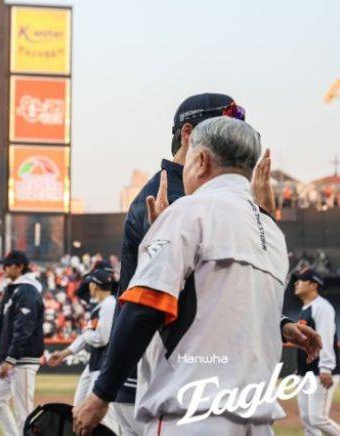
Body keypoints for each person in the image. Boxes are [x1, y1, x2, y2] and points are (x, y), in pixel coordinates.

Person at [82, 93, 322, 436]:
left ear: (203, 158)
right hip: (225, 405)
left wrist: (99, 394)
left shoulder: (193, 209)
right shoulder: (260, 225)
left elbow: (169, 301)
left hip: (193, 400)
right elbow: (198, 296)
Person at [48, 268, 120, 434]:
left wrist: (86, 332)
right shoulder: (101, 305)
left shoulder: (109, 304)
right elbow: (88, 336)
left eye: (90, 283)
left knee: (104, 417)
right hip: (95, 364)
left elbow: (102, 338)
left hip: (104, 364)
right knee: (79, 408)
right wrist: (64, 353)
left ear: (94, 285)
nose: (88, 286)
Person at [0, 250, 44, 436]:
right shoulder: (16, 289)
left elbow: (24, 328)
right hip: (11, 360)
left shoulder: (27, 290)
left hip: (23, 359)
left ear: (19, 266)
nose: (3, 268)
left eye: (7, 264)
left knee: (24, 412)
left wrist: (10, 358)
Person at [294, 268, 340, 436]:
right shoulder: (306, 307)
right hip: (306, 372)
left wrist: (326, 368)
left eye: (302, 280)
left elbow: (325, 340)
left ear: (314, 285)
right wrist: (300, 367)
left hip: (320, 372)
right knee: (307, 420)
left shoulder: (322, 307)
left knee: (318, 419)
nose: (297, 283)